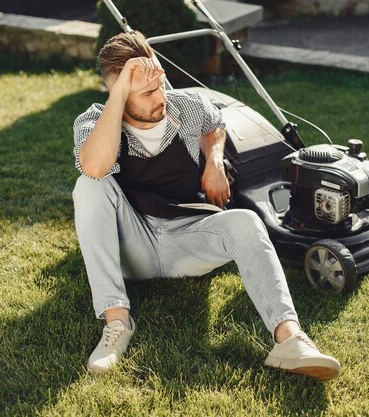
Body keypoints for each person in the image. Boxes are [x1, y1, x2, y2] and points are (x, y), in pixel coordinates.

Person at [72, 30, 341, 380]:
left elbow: (215, 123)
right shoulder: (93, 122)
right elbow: (95, 166)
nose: (162, 96)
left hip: (188, 240)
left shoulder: (186, 106)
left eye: (161, 83)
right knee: (89, 185)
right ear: (118, 94)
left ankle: (289, 340)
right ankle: (117, 322)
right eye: (148, 91)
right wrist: (120, 92)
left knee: (244, 220)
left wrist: (213, 160)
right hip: (131, 248)